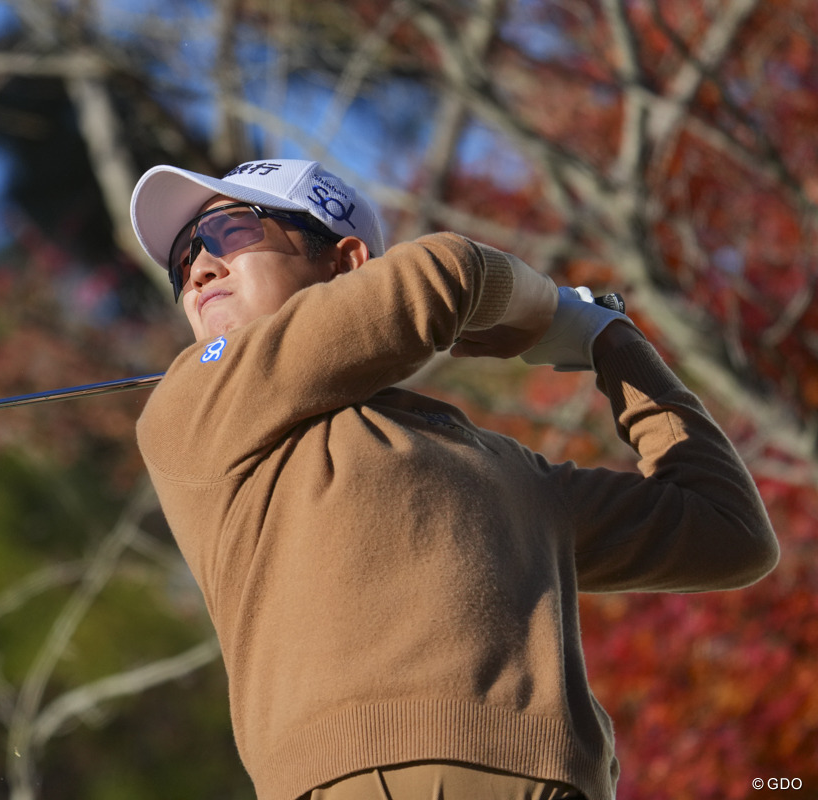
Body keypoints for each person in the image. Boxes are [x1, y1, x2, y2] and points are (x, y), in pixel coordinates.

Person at [127, 159, 778, 800]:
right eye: (183, 259)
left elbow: (729, 531)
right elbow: (448, 273)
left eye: (232, 232)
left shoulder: (502, 467)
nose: (200, 268)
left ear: (346, 263)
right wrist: (550, 315)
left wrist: (614, 343)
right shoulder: (195, 401)